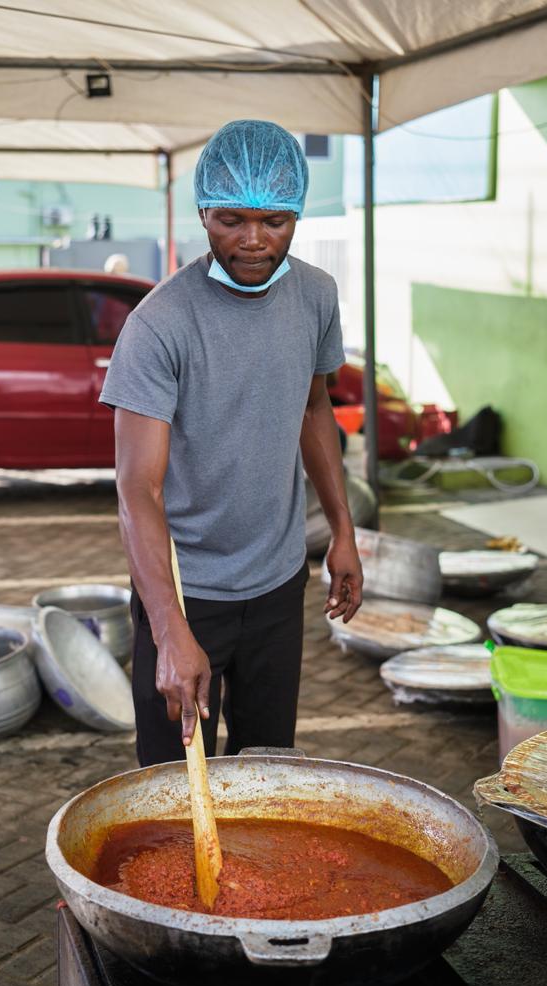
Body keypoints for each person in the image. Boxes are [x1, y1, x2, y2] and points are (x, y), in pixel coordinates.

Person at [100, 119, 363, 768]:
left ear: (298, 213)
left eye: (274, 221)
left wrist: (343, 532)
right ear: (203, 212)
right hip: (186, 592)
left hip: (278, 583)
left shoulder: (316, 296)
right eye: (230, 220)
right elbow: (138, 487)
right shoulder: (160, 323)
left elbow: (313, 407)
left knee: (267, 770)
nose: (252, 240)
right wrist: (169, 629)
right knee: (170, 782)